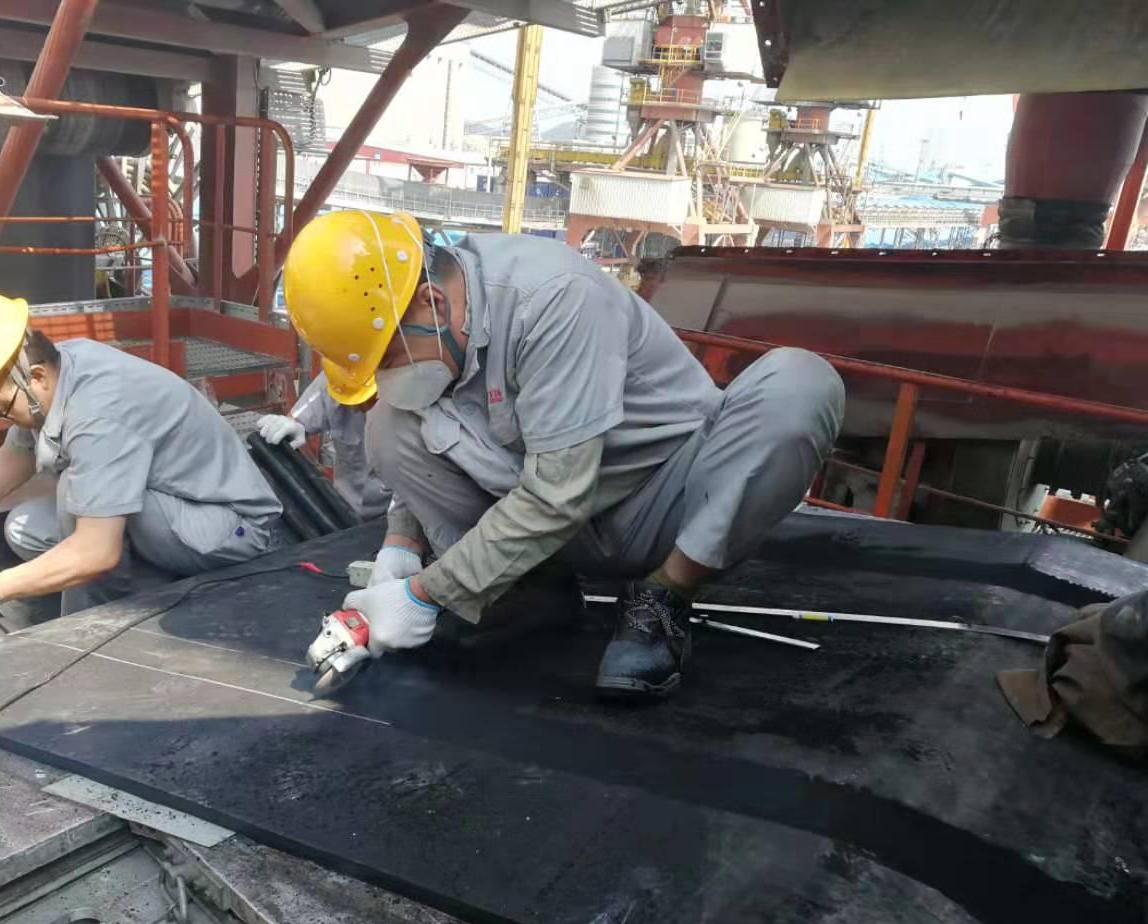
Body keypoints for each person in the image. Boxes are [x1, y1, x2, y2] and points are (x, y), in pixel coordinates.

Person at [282, 210, 844, 699]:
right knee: (388, 425)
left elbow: (557, 495)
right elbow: (435, 429)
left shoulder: (552, 298)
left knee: (801, 384)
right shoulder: (437, 327)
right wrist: (401, 546)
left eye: (387, 360)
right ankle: (529, 594)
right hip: (552, 526)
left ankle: (663, 596)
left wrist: (425, 594)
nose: (388, 378)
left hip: (663, 500)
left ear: (431, 301)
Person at [0, 288, 280, 623]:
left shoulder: (98, 412)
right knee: (24, 529)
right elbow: (15, 455)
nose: (0, 417)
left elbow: (95, 551)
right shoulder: (59, 369)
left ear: (36, 377)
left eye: (0, 409)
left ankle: (101, 625)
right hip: (169, 510)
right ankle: (152, 585)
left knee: (76, 495)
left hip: (231, 526)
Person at [254, 371, 391, 519]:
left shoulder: (406, 398)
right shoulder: (337, 377)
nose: (360, 409)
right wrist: (292, 425)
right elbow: (300, 416)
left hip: (401, 513)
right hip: (346, 510)